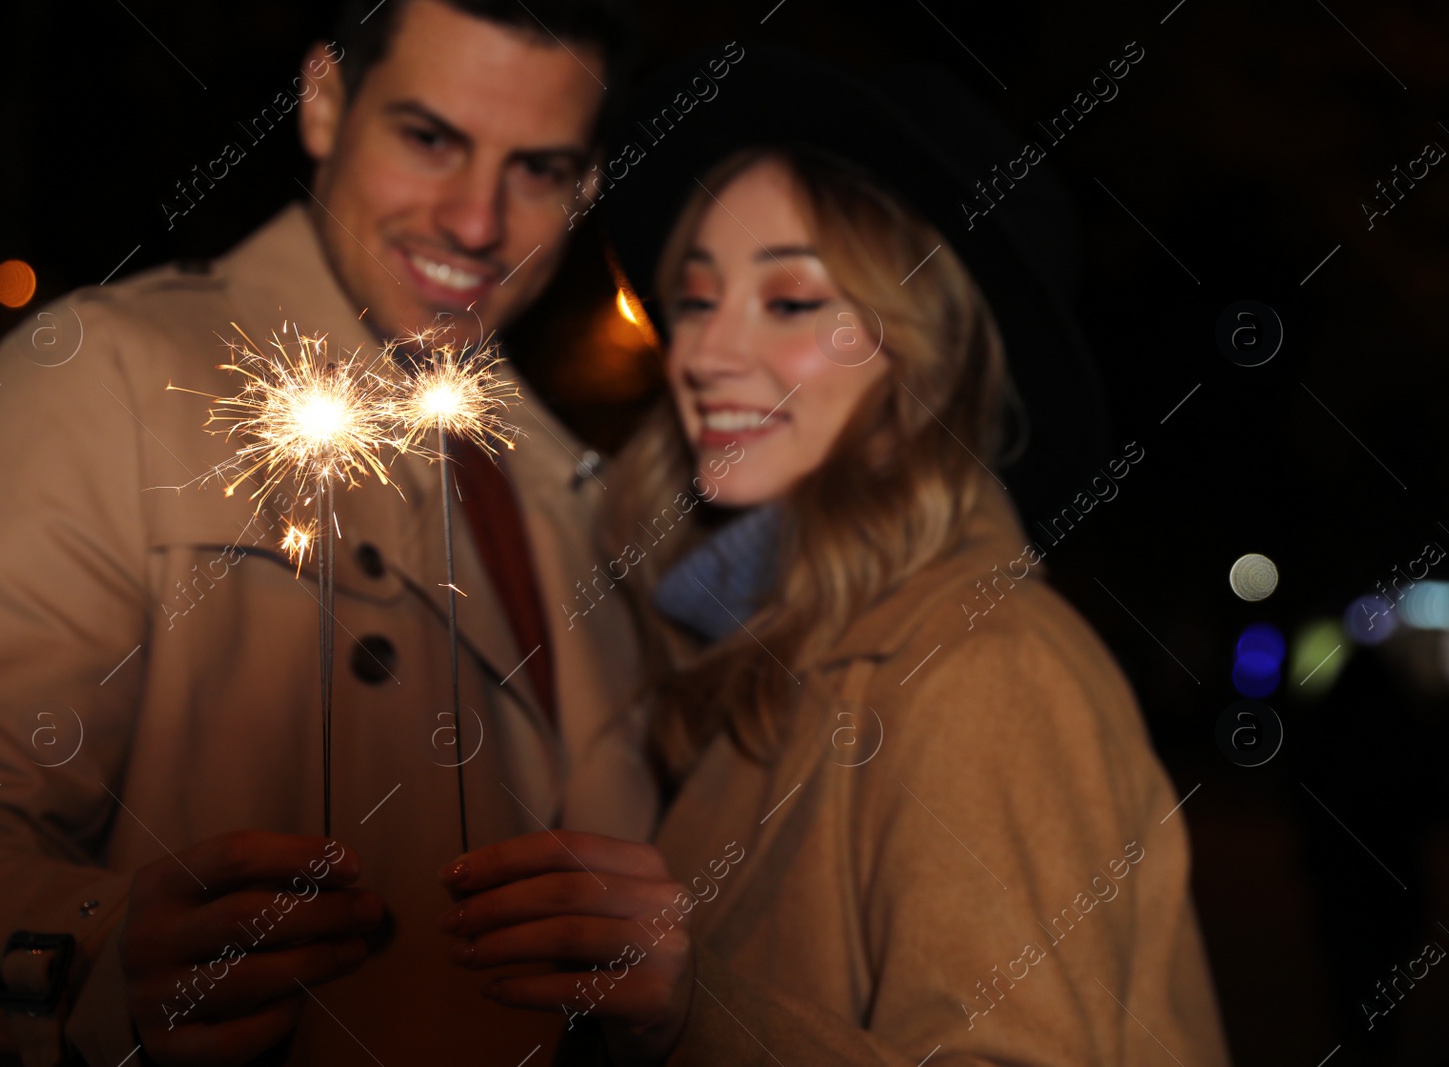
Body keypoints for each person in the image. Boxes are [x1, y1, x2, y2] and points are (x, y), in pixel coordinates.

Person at [0, 1, 656, 1064]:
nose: (474, 221)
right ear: (323, 102)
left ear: (587, 185)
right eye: (429, 139)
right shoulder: (107, 373)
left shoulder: (575, 486)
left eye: (538, 169)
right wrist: (100, 959)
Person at [428, 47, 1233, 1065]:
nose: (705, 352)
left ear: (923, 352)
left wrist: (693, 1005)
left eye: (793, 301)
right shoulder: (770, 656)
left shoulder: (982, 668)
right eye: (696, 297)